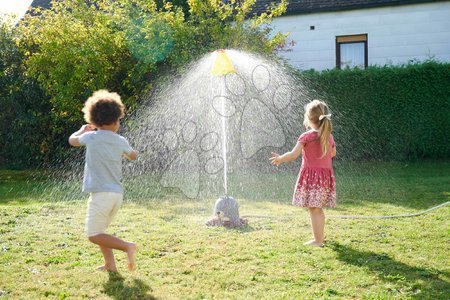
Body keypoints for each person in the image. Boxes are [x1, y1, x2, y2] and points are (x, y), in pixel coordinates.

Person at [69, 90, 138, 271]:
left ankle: (127, 246)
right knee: (101, 231)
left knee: (94, 235)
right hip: (116, 195)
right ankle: (110, 264)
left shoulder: (91, 136)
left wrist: (82, 130)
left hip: (101, 195)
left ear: (93, 121)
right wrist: (134, 152)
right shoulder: (120, 140)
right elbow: (132, 156)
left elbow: (72, 141)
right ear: (116, 120)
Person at [270, 99, 336, 247]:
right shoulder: (328, 136)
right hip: (325, 177)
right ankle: (320, 237)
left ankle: (318, 240)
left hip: (312, 177)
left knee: (314, 208)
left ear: (308, 118)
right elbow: (332, 153)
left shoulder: (307, 136)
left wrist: (280, 158)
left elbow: (293, 155)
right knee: (317, 208)